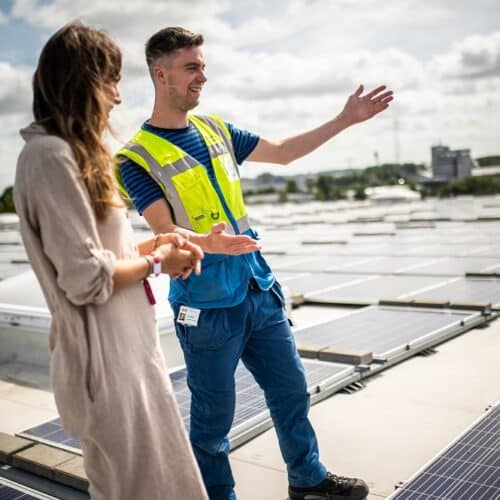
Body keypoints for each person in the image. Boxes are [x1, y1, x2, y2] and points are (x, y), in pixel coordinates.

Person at [116, 26, 393, 500]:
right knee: (213, 420)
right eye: (192, 67)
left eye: (203, 65)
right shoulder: (136, 156)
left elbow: (284, 153)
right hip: (206, 306)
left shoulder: (218, 129)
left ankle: (307, 482)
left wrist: (345, 119)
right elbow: (162, 231)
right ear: (160, 75)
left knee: (291, 392)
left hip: (257, 289)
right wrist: (208, 242)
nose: (203, 75)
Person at [14, 22, 209, 500]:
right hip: (104, 367)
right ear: (80, 82)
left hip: (131, 358)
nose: (118, 98)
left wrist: (168, 247)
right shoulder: (48, 158)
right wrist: (159, 258)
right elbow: (85, 280)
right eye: (110, 82)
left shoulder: (73, 157)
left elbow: (104, 259)